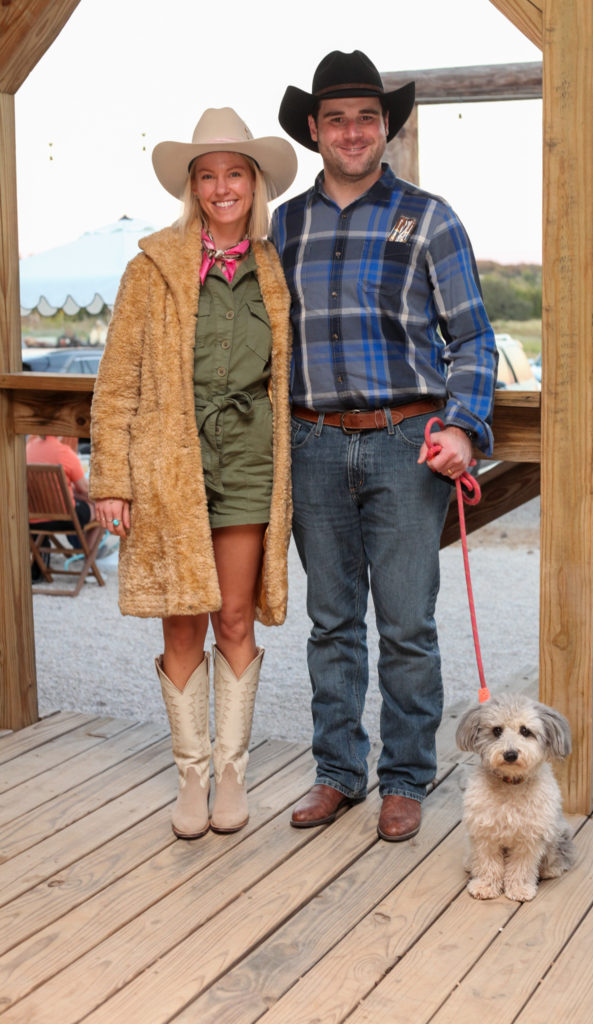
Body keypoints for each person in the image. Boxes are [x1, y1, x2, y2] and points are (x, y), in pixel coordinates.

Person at [271, 51, 498, 842]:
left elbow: (471, 336)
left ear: (385, 126)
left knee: (407, 624)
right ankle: (337, 773)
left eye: (366, 116)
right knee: (331, 621)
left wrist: (464, 427)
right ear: (313, 130)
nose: (351, 130)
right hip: (311, 444)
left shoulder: (428, 218)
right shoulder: (283, 225)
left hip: (408, 444)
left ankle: (404, 777)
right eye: (335, 117)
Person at [89, 108, 297, 840]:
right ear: (192, 187)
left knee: (234, 615)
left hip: (248, 457)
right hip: (171, 463)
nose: (220, 187)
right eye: (206, 176)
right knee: (181, 618)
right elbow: (115, 383)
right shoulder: (150, 266)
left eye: (233, 173)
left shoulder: (274, 265)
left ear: (254, 181)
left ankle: (234, 771)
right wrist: (111, 477)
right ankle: (191, 776)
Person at [26, 434, 95, 578]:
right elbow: (85, 489)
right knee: (99, 511)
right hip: (66, 520)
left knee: (77, 499)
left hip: (33, 520)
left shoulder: (28, 449)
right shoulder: (63, 452)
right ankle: (88, 565)